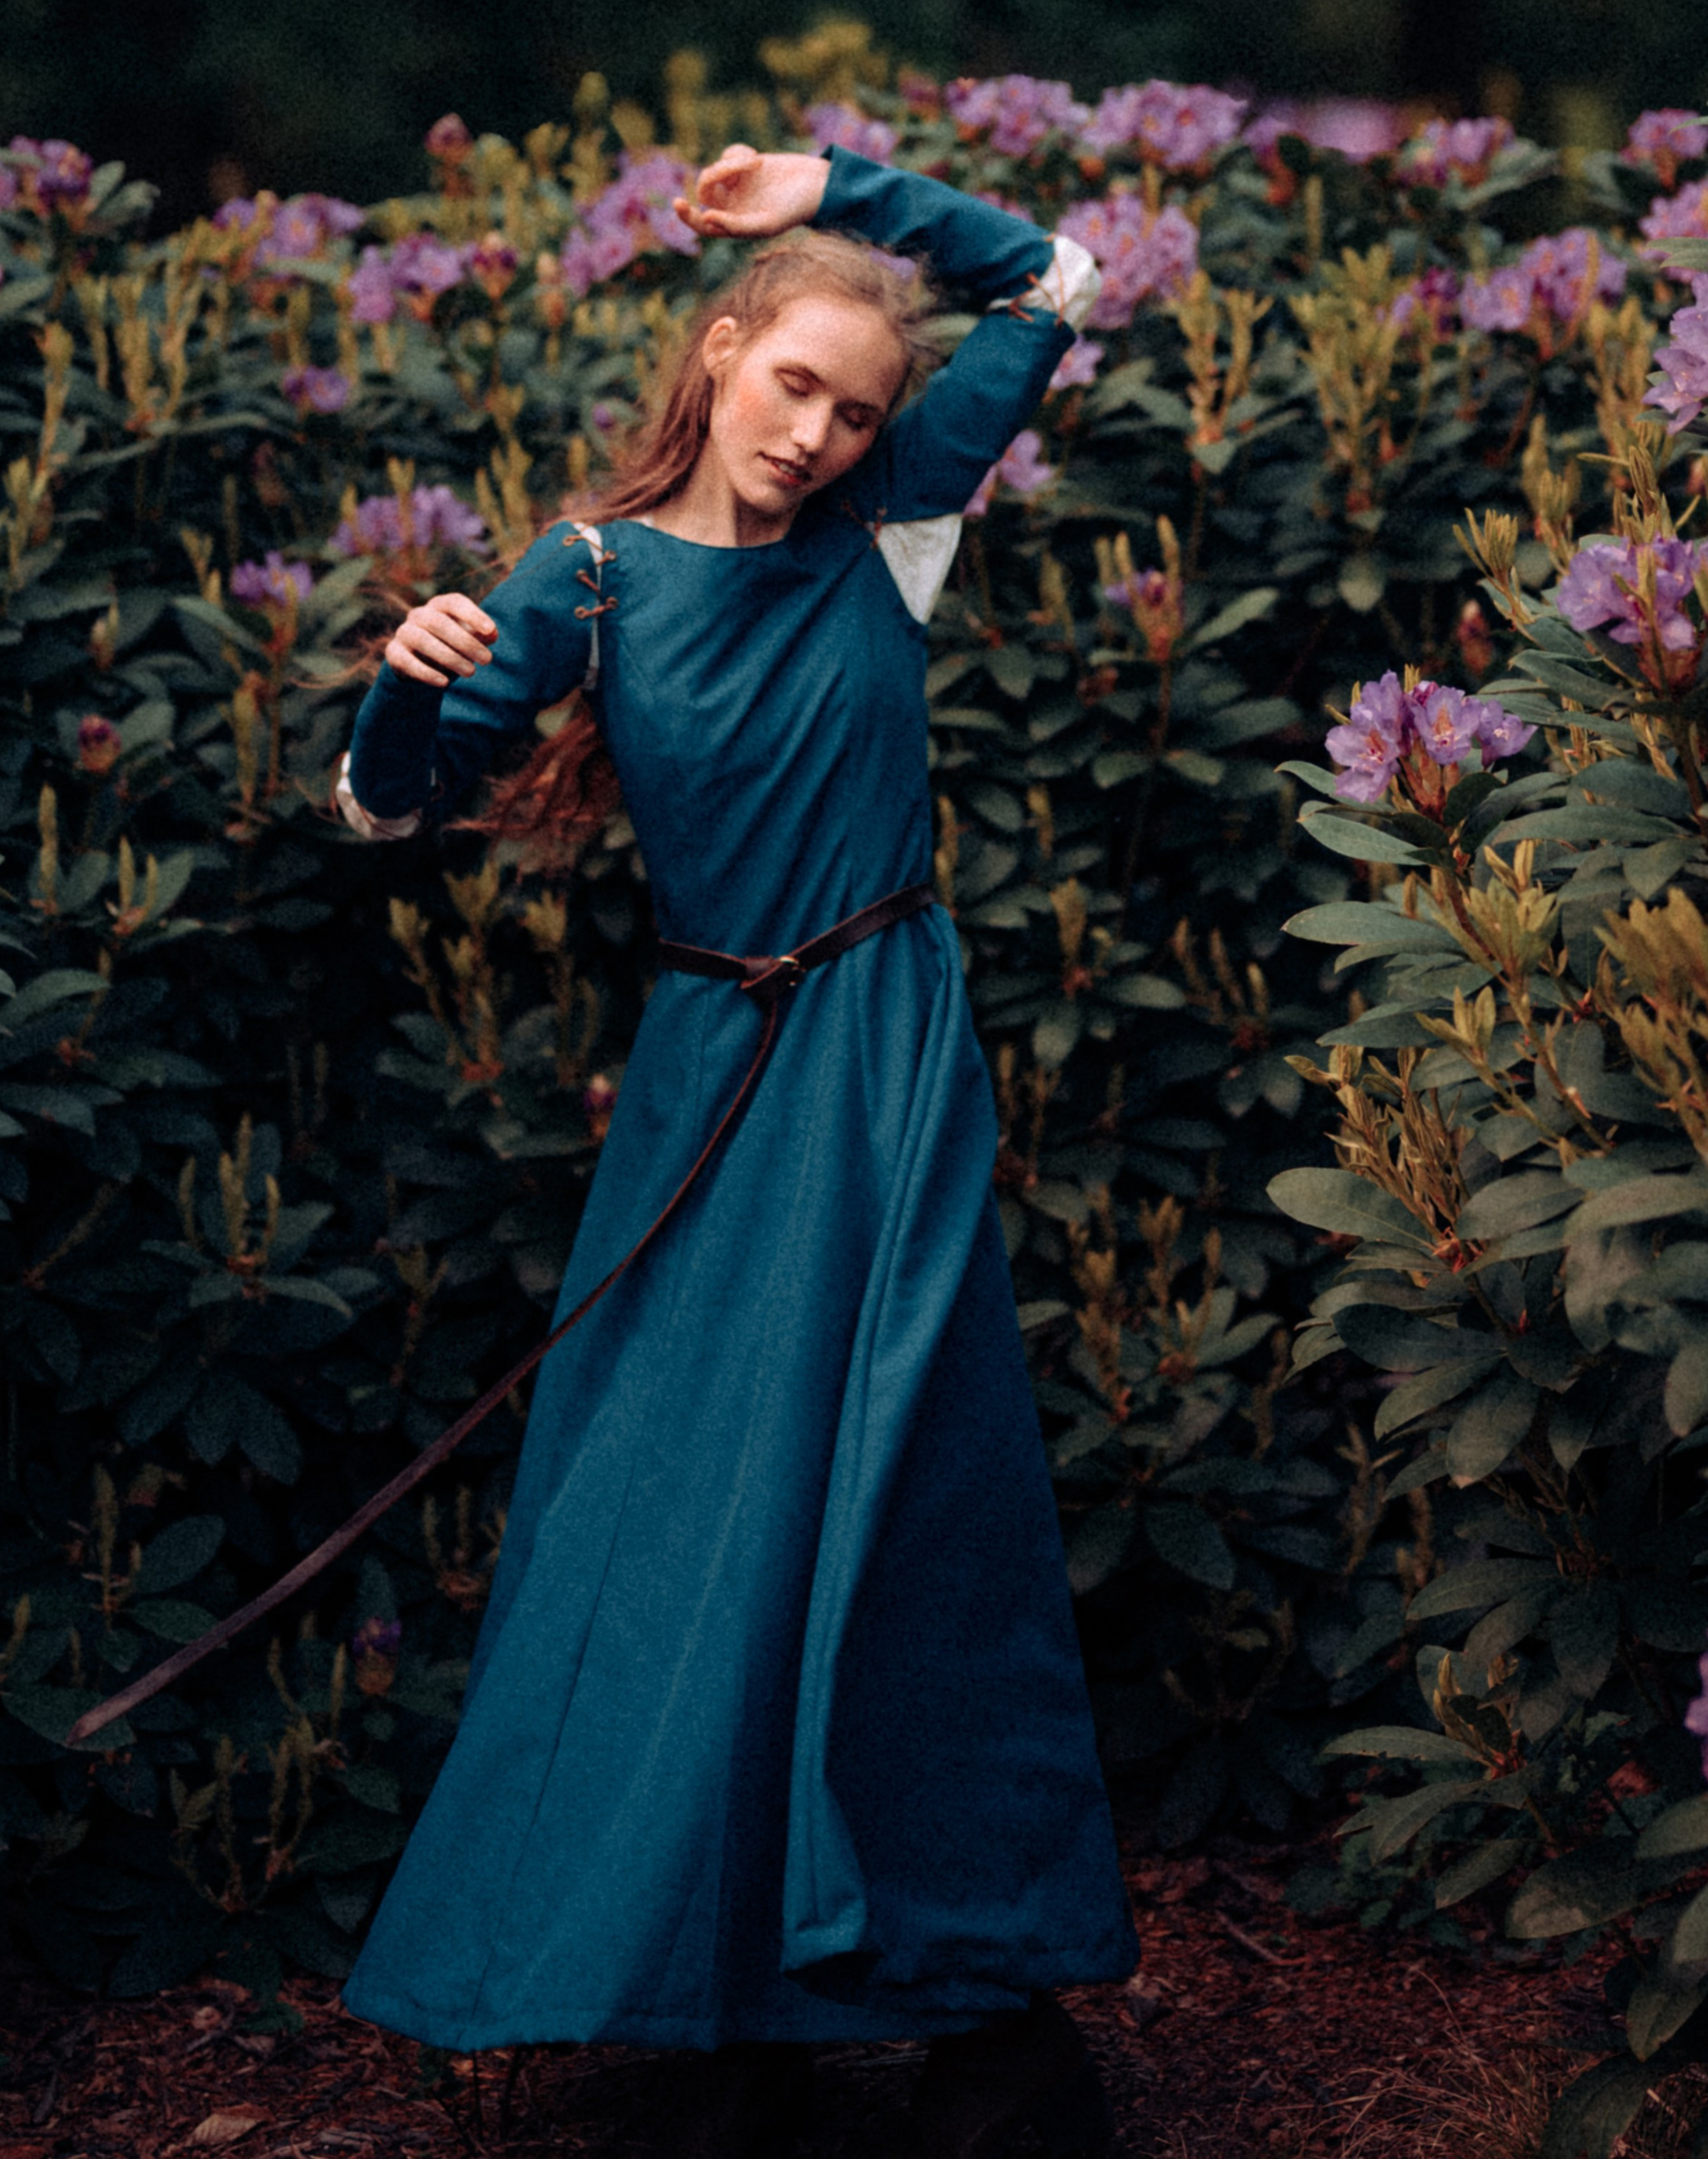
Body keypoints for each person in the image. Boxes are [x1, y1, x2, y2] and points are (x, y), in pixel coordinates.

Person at [335, 141, 1137, 2158]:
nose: (819, 433)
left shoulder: (894, 526)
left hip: (883, 1051)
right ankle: (708, 2000)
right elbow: (401, 802)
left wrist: (843, 186)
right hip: (712, 1070)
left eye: (856, 406)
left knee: (906, 1494)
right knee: (687, 1511)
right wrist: (401, 679)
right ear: (719, 355)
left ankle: (973, 1997)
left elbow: (1062, 276)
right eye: (796, 384)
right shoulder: (587, 578)